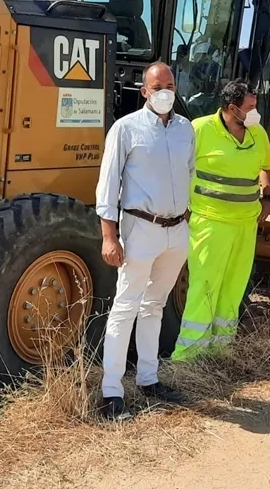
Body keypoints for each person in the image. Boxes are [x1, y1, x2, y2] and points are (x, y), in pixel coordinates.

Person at [95, 62, 195, 420]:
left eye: (170, 85)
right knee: (126, 307)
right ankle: (111, 392)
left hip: (177, 230)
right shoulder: (126, 129)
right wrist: (110, 237)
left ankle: (149, 379)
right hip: (140, 229)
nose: (166, 92)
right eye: (158, 87)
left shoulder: (186, 129)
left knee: (155, 306)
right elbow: (107, 187)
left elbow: (189, 175)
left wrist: (188, 222)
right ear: (144, 92)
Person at [172, 79, 270, 361]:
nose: (256, 112)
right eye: (251, 107)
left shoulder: (258, 133)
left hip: (245, 225)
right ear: (233, 108)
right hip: (209, 222)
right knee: (204, 286)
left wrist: (267, 197)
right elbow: (177, 168)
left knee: (233, 287)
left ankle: (220, 350)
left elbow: (268, 166)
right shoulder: (200, 130)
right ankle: (188, 358)